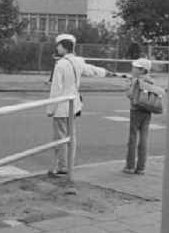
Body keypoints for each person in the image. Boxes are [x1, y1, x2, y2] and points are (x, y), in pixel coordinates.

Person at [46, 33, 116, 176]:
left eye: (58, 46)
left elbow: (56, 90)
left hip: (61, 106)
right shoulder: (78, 61)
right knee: (72, 136)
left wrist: (50, 109)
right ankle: (69, 165)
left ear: (64, 47)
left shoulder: (60, 64)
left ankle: (62, 166)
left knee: (60, 137)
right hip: (74, 104)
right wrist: (106, 72)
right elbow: (92, 69)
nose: (57, 48)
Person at [123, 58, 164, 175]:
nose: (132, 69)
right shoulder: (151, 81)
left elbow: (130, 94)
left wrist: (129, 84)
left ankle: (130, 166)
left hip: (135, 110)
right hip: (147, 111)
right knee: (144, 138)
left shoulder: (136, 81)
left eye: (135, 67)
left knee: (132, 138)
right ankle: (141, 167)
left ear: (141, 70)